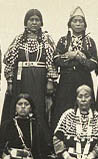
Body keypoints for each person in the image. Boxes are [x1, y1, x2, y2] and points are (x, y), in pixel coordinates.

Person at [1, 9, 58, 146]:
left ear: (41, 23)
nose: (34, 22)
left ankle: (41, 145)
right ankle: (16, 142)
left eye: (37, 20)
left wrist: (50, 80)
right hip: (21, 79)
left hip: (39, 79)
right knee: (20, 106)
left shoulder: (46, 40)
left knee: (39, 108)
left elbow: (52, 61)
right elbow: (9, 61)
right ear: (26, 22)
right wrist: (9, 81)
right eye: (31, 20)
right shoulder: (19, 39)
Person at [51, 6, 98, 131]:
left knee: (84, 107)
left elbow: (93, 64)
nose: (78, 24)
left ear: (85, 24)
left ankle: (86, 139)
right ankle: (61, 141)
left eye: (80, 21)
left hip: (84, 79)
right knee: (63, 108)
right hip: (66, 81)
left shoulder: (90, 42)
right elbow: (56, 59)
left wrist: (80, 59)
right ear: (70, 24)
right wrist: (70, 56)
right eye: (75, 21)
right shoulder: (63, 41)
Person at [0, 93, 52, 159]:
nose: (23, 107)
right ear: (15, 107)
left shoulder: (36, 126)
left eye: (26, 104)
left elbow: (43, 152)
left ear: (31, 108)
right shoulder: (7, 125)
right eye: (19, 104)